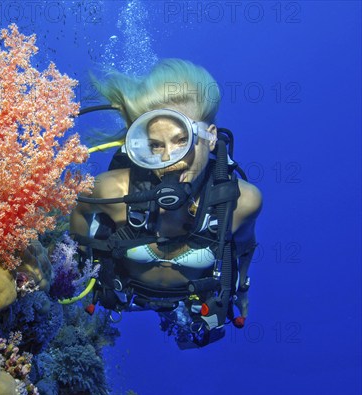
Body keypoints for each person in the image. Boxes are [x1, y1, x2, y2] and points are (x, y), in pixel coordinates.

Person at [69, 59, 262, 348]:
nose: (168, 159)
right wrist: (79, 268)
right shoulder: (112, 189)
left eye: (181, 140)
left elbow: (244, 247)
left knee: (189, 329)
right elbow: (80, 218)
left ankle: (178, 321)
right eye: (156, 145)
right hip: (125, 292)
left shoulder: (242, 202)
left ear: (210, 137)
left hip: (191, 296)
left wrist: (242, 289)